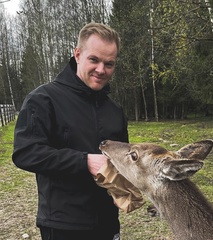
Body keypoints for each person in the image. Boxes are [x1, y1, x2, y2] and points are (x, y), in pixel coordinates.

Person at [12, 22, 128, 240]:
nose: (101, 70)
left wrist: (124, 187)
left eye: (109, 64)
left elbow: (122, 159)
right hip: (63, 225)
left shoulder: (115, 110)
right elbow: (25, 153)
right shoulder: (44, 99)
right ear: (77, 54)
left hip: (107, 222)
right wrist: (84, 161)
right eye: (94, 59)